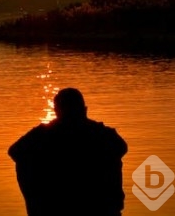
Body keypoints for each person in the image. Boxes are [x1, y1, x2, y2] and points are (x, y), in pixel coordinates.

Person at [8, 88, 128, 216]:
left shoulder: (44, 134)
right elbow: (15, 151)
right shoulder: (102, 133)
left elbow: (121, 148)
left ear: (57, 111)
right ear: (84, 109)